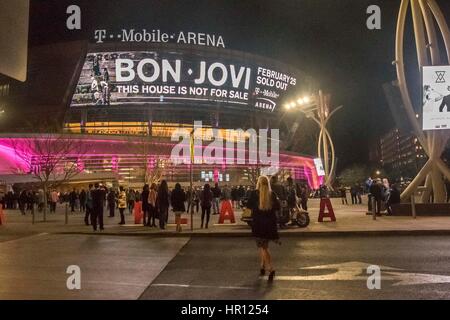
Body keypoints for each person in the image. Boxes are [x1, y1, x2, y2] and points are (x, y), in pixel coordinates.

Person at [247, 176, 280, 282]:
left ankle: (271, 268)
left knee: (264, 247)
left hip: (258, 225)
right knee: (263, 245)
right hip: (270, 225)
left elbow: (248, 206)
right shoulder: (272, 194)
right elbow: (278, 207)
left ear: (259, 183)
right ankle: (262, 266)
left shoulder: (254, 194)